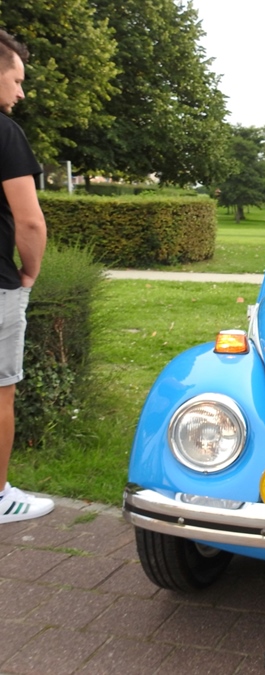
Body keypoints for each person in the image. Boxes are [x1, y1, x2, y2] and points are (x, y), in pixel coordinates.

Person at [0, 29, 52, 523]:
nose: (21, 92)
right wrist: (29, 274)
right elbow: (30, 222)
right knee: (0, 393)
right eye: (16, 81)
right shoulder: (5, 133)